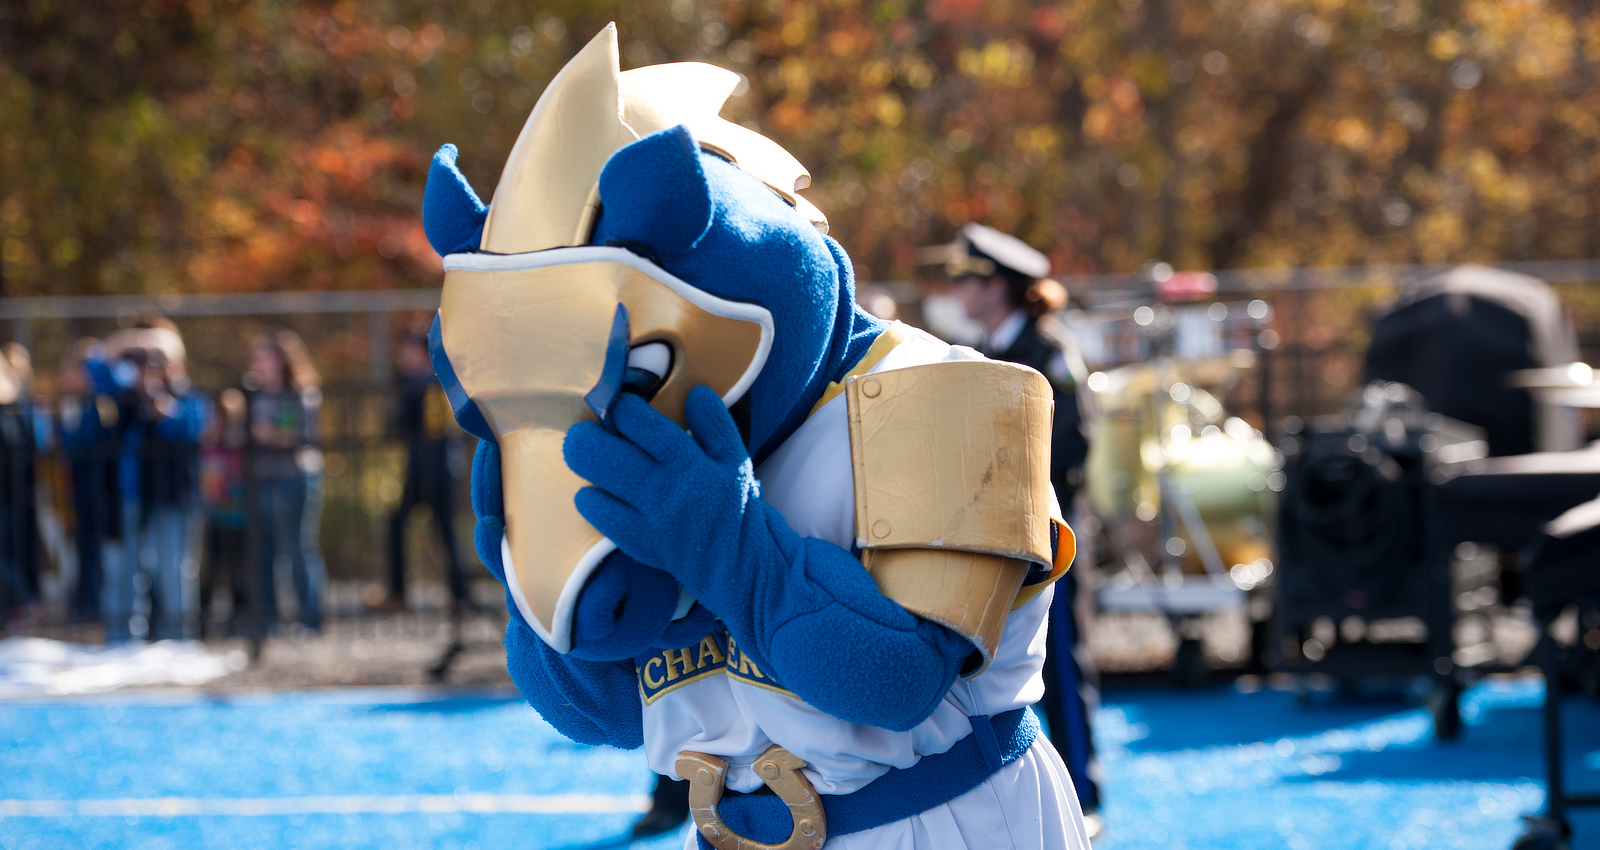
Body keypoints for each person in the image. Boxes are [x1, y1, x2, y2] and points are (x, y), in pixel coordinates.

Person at [424, 26, 1089, 850]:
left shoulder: (940, 386)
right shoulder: (637, 430)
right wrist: (540, 594)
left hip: (938, 823)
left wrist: (726, 546)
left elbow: (894, 681)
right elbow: (606, 714)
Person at [942, 223, 1102, 833]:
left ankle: (1084, 795)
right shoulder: (974, 350)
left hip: (1044, 534)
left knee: (1058, 663)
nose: (958, 291)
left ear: (997, 286)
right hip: (990, 534)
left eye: (968, 280)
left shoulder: (1047, 349)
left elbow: (1074, 445)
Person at [376, 326, 467, 612]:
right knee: (430, 528)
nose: (403, 358)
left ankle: (457, 594)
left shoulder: (429, 383)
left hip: (433, 467)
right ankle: (450, 594)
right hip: (425, 467)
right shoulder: (420, 382)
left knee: (443, 530)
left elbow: (412, 424)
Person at [245, 330, 326, 634]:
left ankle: (309, 618)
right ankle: (267, 619)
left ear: (280, 359)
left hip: (294, 478)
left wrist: (268, 434)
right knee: (264, 550)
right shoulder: (252, 394)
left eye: (262, 356)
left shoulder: (299, 393)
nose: (255, 363)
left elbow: (298, 436)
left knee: (296, 548)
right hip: (262, 479)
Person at [198, 387, 250, 635]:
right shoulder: (207, 441)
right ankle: (203, 621)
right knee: (211, 569)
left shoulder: (242, 444)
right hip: (214, 517)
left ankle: (239, 619)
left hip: (238, 517)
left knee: (238, 571)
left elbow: (242, 478)